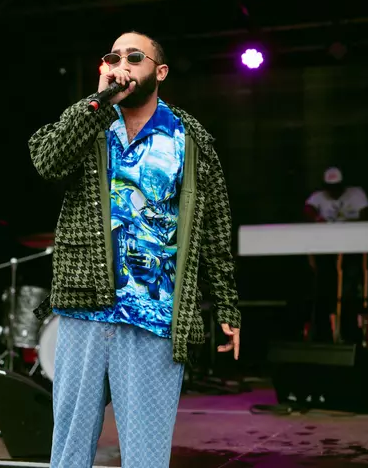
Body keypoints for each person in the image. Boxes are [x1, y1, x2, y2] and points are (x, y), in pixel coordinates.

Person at [29, 31, 241, 468]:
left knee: (146, 453)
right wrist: (97, 101)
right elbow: (47, 161)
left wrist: (226, 305)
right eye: (113, 57)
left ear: (159, 72)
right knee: (68, 448)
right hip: (85, 305)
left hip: (153, 312)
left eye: (134, 57)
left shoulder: (188, 138)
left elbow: (215, 227)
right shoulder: (90, 123)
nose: (121, 65)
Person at [303, 167, 368, 343]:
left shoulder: (356, 194)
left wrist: (349, 225)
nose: (334, 192)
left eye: (337, 187)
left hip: (352, 249)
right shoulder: (319, 196)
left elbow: (365, 214)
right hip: (327, 251)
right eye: (330, 188)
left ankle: (350, 334)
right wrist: (316, 218)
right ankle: (324, 334)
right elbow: (308, 209)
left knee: (349, 289)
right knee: (325, 287)